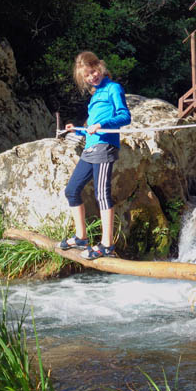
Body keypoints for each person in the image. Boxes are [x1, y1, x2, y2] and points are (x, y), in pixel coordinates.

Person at [58, 51, 131, 259]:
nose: (92, 77)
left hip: (105, 147)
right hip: (90, 149)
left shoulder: (113, 88)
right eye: (87, 76)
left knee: (102, 194)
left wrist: (101, 125)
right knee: (72, 190)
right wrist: (77, 130)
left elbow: (124, 116)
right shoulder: (95, 96)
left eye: (93, 71)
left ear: (100, 66)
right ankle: (81, 237)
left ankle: (107, 245)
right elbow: (92, 128)